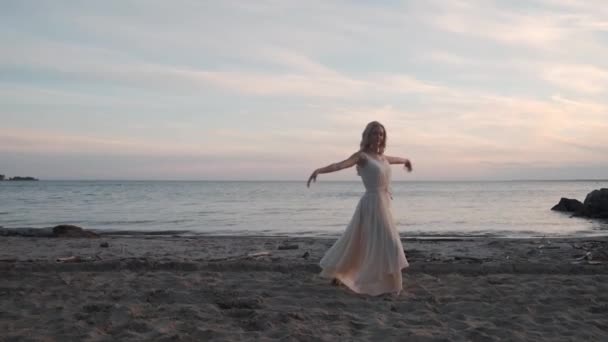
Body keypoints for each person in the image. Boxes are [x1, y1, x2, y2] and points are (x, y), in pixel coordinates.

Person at [307, 121, 412, 296]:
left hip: (383, 203)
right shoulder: (362, 156)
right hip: (371, 203)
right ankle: (391, 285)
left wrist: (406, 161)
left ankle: (345, 276)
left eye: (381, 134)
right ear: (367, 136)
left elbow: (394, 160)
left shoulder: (382, 157)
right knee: (390, 243)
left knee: (365, 243)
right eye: (374, 133)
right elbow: (339, 165)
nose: (378, 137)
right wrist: (319, 170)